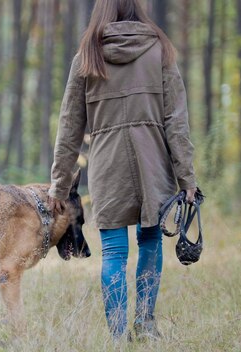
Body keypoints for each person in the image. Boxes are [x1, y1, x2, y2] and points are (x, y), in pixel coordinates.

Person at [47, 0, 198, 341]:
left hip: (107, 164)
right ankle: (145, 326)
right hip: (153, 161)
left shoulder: (87, 56)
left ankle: (117, 339)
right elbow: (176, 122)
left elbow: (69, 127)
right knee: (150, 242)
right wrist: (187, 177)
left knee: (114, 251)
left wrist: (59, 185)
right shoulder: (160, 49)